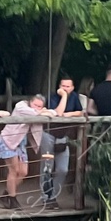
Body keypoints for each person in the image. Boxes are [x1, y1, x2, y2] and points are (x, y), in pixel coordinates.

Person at [0, 94, 45, 209]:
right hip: (9, 139)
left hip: (21, 141)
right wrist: (43, 112)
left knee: (23, 172)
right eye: (35, 104)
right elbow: (36, 114)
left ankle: (6, 194)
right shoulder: (21, 106)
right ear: (30, 102)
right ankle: (13, 199)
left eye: (40, 106)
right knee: (14, 170)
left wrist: (44, 112)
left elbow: (50, 113)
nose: (36, 107)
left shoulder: (36, 111)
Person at [43, 76, 85, 205]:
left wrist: (70, 114)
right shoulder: (53, 97)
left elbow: (80, 112)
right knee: (46, 168)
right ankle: (46, 198)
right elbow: (58, 113)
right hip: (48, 135)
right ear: (59, 86)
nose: (65, 88)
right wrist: (64, 97)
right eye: (63, 86)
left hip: (63, 137)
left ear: (72, 88)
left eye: (68, 86)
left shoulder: (75, 97)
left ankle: (52, 196)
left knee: (63, 169)